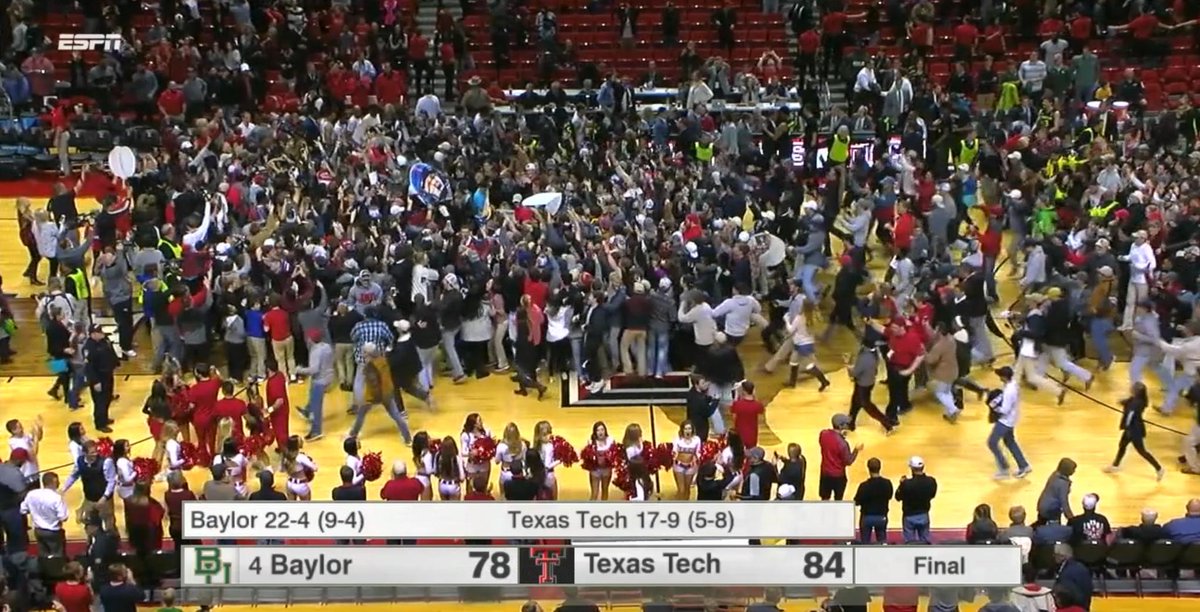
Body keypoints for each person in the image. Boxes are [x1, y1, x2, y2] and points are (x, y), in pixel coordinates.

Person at [1104, 381, 1164, 480]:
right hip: (1132, 428)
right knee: (1122, 446)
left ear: (1136, 391)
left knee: (1142, 451)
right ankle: (1115, 465)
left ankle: (1159, 469)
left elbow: (1130, 416)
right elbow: (1127, 402)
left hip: (1134, 430)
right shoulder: (1137, 399)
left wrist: (1127, 428)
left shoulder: (1137, 403)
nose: (1130, 388)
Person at [987, 366, 1032, 480]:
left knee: (992, 443)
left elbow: (1004, 410)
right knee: (1010, 442)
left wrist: (993, 406)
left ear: (1004, 377)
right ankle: (1024, 465)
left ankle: (1004, 469)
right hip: (1012, 419)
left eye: (1000, 376)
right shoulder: (1013, 385)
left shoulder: (1008, 391)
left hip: (1005, 421)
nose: (999, 378)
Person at [296, 327, 335, 441]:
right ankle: (307, 411)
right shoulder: (326, 346)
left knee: (316, 405)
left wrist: (299, 370)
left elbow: (314, 369)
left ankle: (316, 431)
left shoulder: (315, 351)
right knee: (312, 395)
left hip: (319, 380)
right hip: (328, 375)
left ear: (311, 339)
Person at [83, 323, 120, 433]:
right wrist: (95, 382)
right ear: (93, 334)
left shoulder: (105, 340)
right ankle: (100, 423)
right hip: (98, 377)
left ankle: (105, 418)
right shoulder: (89, 348)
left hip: (108, 374)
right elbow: (89, 367)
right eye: (99, 332)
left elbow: (111, 351)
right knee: (100, 401)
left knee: (108, 397)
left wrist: (115, 363)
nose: (102, 333)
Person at [20, 470, 68, 556]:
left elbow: (23, 510)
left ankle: (44, 569)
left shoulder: (32, 494)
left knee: (43, 555)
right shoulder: (56, 497)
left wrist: (35, 512)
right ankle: (56, 569)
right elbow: (63, 517)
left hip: (39, 530)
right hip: (53, 531)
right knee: (57, 555)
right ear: (54, 482)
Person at [818, 413, 862, 500]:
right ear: (841, 426)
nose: (848, 425)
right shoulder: (843, 444)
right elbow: (848, 461)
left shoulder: (823, 434)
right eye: (846, 424)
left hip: (825, 473)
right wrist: (856, 450)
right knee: (838, 498)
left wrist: (840, 435)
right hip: (838, 476)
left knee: (824, 497)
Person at [895, 456, 937, 543]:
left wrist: (901, 484)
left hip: (909, 516)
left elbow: (898, 497)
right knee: (925, 542)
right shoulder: (931, 481)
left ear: (912, 469)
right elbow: (932, 495)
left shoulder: (906, 484)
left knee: (910, 544)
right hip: (924, 514)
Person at [853, 457, 893, 544]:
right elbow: (889, 496)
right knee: (882, 542)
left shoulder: (864, 486)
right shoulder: (887, 483)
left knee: (865, 543)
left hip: (867, 517)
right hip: (881, 516)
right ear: (880, 467)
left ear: (868, 469)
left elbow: (856, 502)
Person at [1036, 458, 1077, 526]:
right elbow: (1064, 503)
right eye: (1073, 469)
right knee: (1055, 529)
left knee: (1041, 524)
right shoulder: (1063, 484)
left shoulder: (1055, 474)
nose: (1074, 471)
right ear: (1067, 470)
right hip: (1051, 510)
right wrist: (1072, 519)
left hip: (1043, 505)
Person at [1052, 543, 1093, 611]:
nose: (1053, 557)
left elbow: (1068, 595)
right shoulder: (1081, 567)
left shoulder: (1066, 573)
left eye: (1055, 555)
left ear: (1062, 556)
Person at [729, 380, 764, 447]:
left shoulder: (737, 405)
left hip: (739, 435)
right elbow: (760, 419)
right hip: (752, 435)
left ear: (743, 391)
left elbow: (734, 418)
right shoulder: (758, 405)